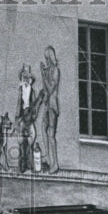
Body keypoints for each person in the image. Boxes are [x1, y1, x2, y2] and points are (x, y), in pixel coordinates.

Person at [39, 45, 60, 173]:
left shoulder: (56, 70)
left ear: (51, 58)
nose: (46, 61)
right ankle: (47, 155)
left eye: (47, 59)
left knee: (51, 134)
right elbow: (46, 90)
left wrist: (43, 75)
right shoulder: (50, 71)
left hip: (53, 106)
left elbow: (51, 88)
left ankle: (55, 163)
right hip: (48, 105)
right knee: (42, 126)